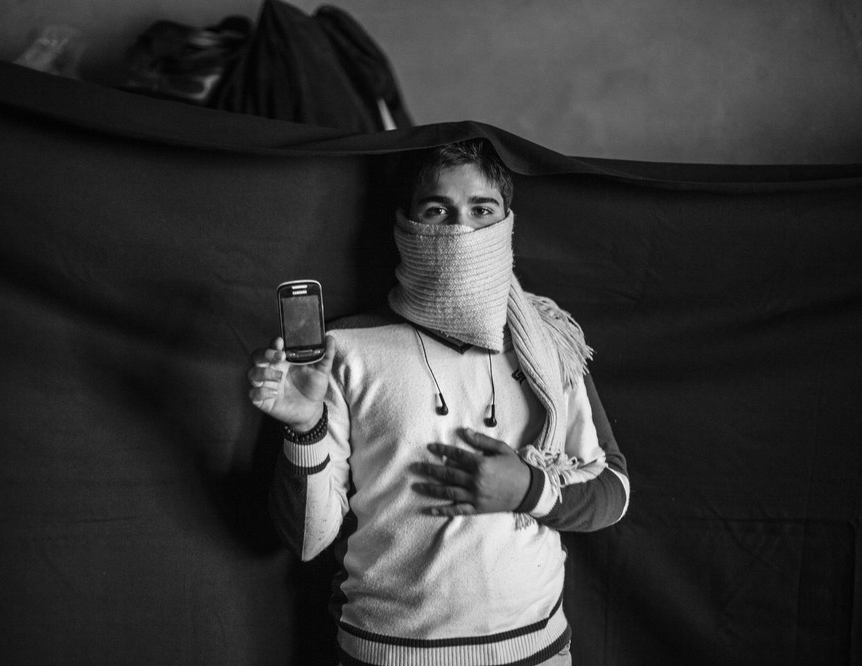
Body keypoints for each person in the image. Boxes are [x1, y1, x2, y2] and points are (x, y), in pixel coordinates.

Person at [247, 138, 630, 665]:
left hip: (537, 651)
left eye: (481, 210)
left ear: (506, 222)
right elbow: (310, 540)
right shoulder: (344, 350)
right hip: (387, 653)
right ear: (406, 224)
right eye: (437, 210)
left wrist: (529, 489)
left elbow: (614, 490)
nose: (460, 230)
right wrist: (304, 426)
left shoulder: (548, 342)